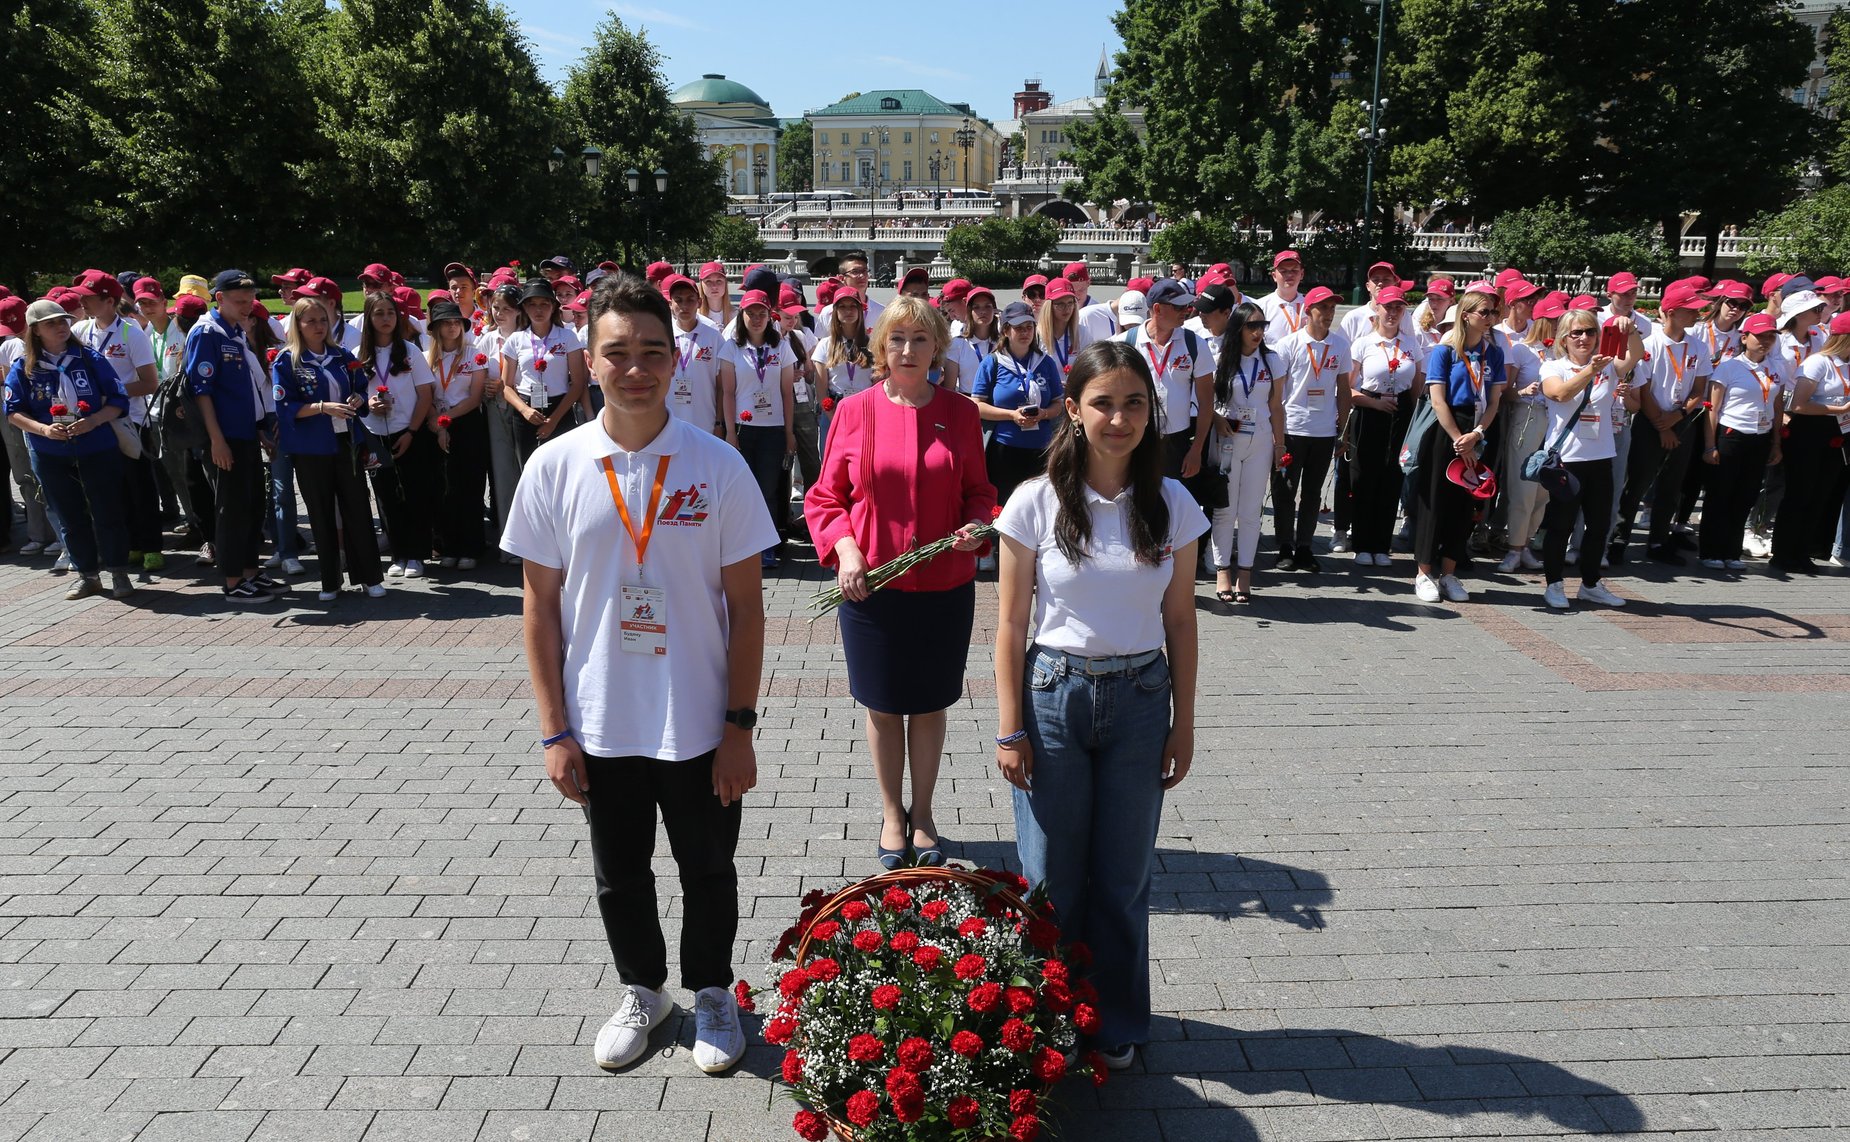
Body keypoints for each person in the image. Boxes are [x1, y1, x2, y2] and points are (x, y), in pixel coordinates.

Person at [501, 272, 775, 1077]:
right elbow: (539, 611)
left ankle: (715, 991)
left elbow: (749, 611)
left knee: (708, 868)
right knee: (620, 873)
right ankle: (644, 990)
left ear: (675, 360)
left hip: (698, 720)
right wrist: (554, 730)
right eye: (616, 353)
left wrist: (739, 727)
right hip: (601, 719)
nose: (636, 368)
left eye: (652, 351)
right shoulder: (554, 466)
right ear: (588, 361)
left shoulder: (717, 465)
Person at [992, 338, 1205, 1072]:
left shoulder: (1172, 502)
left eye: (1134, 403)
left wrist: (1184, 721)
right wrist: (1009, 728)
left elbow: (1182, 621)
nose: (1119, 417)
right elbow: (1011, 626)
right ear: (1075, 412)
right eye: (1103, 403)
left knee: (1121, 878)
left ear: (1152, 411)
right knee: (1050, 876)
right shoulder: (1034, 501)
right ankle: (1044, 1015)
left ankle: (1113, 1019)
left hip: (1143, 699)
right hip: (1053, 696)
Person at [804, 295, 994, 871]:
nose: (907, 350)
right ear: (880, 349)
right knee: (884, 706)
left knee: (931, 704)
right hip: (871, 588)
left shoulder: (960, 413)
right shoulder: (855, 410)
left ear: (937, 346)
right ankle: (892, 814)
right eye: (896, 340)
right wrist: (846, 550)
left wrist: (977, 526)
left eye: (919, 339)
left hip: (944, 585)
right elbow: (825, 497)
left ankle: (926, 815)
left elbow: (980, 494)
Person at [4, 299, 134, 599]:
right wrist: (44, 429)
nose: (61, 326)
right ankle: (88, 574)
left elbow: (118, 400)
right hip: (50, 453)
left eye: (63, 321)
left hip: (96, 445)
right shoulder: (25, 366)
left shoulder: (89, 359)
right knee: (69, 516)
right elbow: (13, 411)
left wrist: (94, 421)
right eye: (51, 323)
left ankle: (119, 572)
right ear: (35, 331)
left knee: (108, 511)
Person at [271, 297, 385, 600]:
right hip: (310, 448)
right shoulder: (287, 360)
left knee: (358, 508)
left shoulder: (342, 355)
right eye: (310, 321)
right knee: (320, 513)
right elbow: (285, 406)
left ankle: (369, 577)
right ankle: (330, 581)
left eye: (322, 320)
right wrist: (322, 407)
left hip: (345, 442)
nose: (318, 326)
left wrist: (360, 399)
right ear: (298, 325)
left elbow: (360, 386)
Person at [186, 270, 283, 606]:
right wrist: (217, 440)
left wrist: (260, 427)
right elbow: (202, 392)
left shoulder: (234, 330)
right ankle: (232, 581)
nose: (247, 308)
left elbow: (249, 385)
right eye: (240, 302)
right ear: (220, 298)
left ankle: (250, 571)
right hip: (225, 436)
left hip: (245, 433)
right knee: (232, 509)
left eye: (250, 301)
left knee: (253, 505)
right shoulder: (207, 332)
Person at [1537, 308, 1644, 608]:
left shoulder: (1609, 365)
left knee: (1599, 525)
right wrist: (1590, 371)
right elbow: (1559, 395)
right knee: (1562, 524)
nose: (1584, 338)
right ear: (1564, 338)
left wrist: (1630, 330)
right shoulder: (1553, 367)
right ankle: (1554, 584)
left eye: (1590, 332)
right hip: (1567, 460)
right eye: (1577, 333)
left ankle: (1590, 583)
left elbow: (1635, 354)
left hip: (1600, 456)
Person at [1414, 288, 1505, 603]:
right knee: (1435, 501)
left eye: (1493, 313)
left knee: (1466, 504)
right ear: (1466, 315)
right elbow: (1437, 400)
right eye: (1485, 313)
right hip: (1447, 431)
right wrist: (1458, 439)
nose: (1491, 318)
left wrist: (1477, 434)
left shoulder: (1494, 353)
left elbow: (1494, 401)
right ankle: (1424, 572)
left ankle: (1449, 574)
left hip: (1477, 430)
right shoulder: (1445, 350)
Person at [1614, 282, 1713, 565]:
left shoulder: (1698, 346)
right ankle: (1620, 537)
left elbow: (1698, 390)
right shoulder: (1650, 344)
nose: (1696, 315)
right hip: (1649, 420)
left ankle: (1659, 540)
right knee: (1637, 482)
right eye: (1689, 310)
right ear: (1670, 311)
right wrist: (1661, 424)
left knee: (1672, 485)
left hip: (1682, 421)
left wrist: (1678, 417)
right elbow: (1642, 389)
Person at [70, 270, 162, 572]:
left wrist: (111, 397)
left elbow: (150, 383)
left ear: (109, 301)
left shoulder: (131, 333)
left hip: (130, 421)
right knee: (113, 488)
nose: (82, 301)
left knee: (139, 486)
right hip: (97, 422)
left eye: (88, 297)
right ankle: (132, 544)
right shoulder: (81, 331)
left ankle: (151, 546)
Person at [357, 290, 438, 579]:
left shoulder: (410, 351)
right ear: (368, 318)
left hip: (408, 431)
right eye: (379, 313)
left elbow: (425, 394)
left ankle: (417, 555)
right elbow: (352, 398)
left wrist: (412, 432)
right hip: (375, 434)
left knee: (414, 493)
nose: (386, 319)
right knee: (386, 497)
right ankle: (398, 554)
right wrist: (368, 404)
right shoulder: (359, 355)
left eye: (390, 312)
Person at [1207, 301, 1284, 604]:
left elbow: (1277, 407)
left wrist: (1280, 445)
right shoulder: (1219, 360)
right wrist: (1217, 418)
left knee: (1251, 512)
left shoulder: (1273, 361)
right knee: (1225, 510)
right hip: (1227, 440)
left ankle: (1246, 573)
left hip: (1261, 440)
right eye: (1252, 326)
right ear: (1238, 328)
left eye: (1262, 326)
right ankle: (1222, 569)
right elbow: (1206, 403)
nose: (1258, 332)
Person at [1270, 285, 1351, 571]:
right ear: (1309, 311)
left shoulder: (1340, 345)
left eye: (1332, 308)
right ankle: (1283, 546)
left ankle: (1304, 545)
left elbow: (1344, 389)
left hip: (1323, 430)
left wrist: (1343, 429)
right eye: (1323, 308)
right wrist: (1276, 435)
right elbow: (1276, 394)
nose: (1328, 314)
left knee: (1313, 493)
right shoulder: (1288, 345)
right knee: (1284, 490)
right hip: (1292, 428)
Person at [717, 289, 797, 569]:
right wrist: (729, 431)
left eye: (762, 312)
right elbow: (728, 393)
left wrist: (789, 432)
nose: (756, 318)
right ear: (742, 315)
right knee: (741, 490)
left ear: (769, 315)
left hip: (773, 428)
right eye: (751, 313)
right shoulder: (731, 347)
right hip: (743, 428)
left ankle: (768, 546)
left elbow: (787, 393)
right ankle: (741, 547)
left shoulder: (781, 346)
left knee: (768, 490)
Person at [1699, 313, 1785, 571]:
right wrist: (1710, 445)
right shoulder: (1728, 367)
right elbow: (1712, 408)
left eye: (1770, 336)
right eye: (1760, 336)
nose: (1766, 341)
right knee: (1720, 494)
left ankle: (1731, 551)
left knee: (1746, 495)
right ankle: (1709, 551)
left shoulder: (1776, 368)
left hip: (1761, 436)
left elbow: (1777, 406)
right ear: (1744, 337)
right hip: (1731, 434)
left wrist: (1776, 443)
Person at [1346, 285, 1421, 567]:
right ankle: (1362, 543)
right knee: (1365, 478)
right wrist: (1373, 403)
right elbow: (1348, 389)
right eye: (1387, 307)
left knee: (1392, 479)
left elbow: (1416, 390)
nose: (1392, 313)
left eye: (1398, 308)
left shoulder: (1412, 345)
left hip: (1399, 415)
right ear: (1377, 308)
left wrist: (1413, 420)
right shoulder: (1363, 344)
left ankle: (1381, 544)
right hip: (1370, 412)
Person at [1772, 308, 1850, 574]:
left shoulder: (1846, 364)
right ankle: (1783, 553)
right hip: (1809, 431)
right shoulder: (1818, 362)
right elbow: (1799, 405)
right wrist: (1838, 409)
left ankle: (1803, 551)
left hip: (1836, 433)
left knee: (1821, 494)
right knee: (1800, 493)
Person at [1497, 293, 1568, 572]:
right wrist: (1523, 392)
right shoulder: (1522, 350)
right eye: (1555, 319)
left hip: (1555, 422)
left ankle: (1524, 544)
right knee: (1523, 487)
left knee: (1544, 490)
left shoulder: (1562, 353)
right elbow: (1506, 393)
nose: (1560, 324)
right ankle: (1513, 548)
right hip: (1528, 418)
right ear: (1542, 320)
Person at [973, 301, 1063, 504]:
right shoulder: (993, 362)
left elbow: (1058, 403)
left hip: (1041, 449)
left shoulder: (1045, 362)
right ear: (1005, 330)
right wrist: (1011, 415)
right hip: (1004, 450)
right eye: (1019, 328)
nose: (1025, 332)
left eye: (1029, 327)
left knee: (1041, 508)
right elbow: (977, 405)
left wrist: (1044, 414)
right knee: (1005, 510)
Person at [426, 300, 490, 569]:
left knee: (469, 486)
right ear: (437, 328)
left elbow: (475, 398)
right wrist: (436, 423)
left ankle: (471, 547)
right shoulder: (426, 357)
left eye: (456, 322)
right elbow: (424, 395)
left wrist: (445, 420)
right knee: (443, 488)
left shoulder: (473, 354)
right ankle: (447, 545)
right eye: (446, 323)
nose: (452, 327)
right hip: (435, 424)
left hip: (466, 422)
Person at [500, 279, 589, 464]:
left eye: (544, 304)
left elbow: (578, 383)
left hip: (560, 408)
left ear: (553, 306)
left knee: (562, 469)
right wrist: (524, 410)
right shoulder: (516, 339)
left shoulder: (567, 337)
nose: (538, 310)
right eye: (532, 304)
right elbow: (506, 386)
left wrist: (554, 420)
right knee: (528, 469)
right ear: (524, 307)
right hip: (525, 411)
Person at [0, 296, 60, 558]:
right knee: (26, 476)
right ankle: (40, 534)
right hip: (20, 418)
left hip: (45, 418)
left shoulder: (42, 346)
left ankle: (57, 535)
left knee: (42, 476)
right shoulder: (9, 347)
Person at [662, 275, 723, 436]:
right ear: (670, 304)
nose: (684, 306)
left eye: (690, 300)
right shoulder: (663, 336)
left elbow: (721, 386)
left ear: (699, 303)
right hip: (669, 422)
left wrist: (719, 422)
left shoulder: (713, 336)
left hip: (705, 423)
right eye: (678, 300)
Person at [944, 286, 997, 396]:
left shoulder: (1003, 343)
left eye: (988, 306)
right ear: (969, 311)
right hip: (968, 403)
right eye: (976, 307)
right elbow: (950, 389)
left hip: (998, 405)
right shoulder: (957, 344)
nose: (982, 311)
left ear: (994, 310)